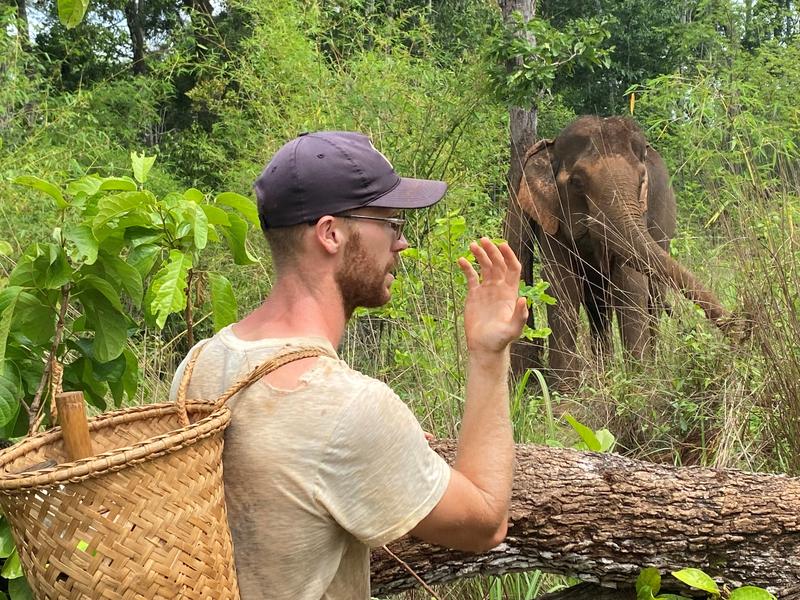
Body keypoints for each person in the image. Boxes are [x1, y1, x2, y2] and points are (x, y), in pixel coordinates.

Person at [169, 131, 528, 599]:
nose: (402, 243)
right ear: (330, 233)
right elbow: (485, 523)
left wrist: (383, 447)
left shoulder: (199, 363)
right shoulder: (349, 406)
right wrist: (488, 355)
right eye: (391, 223)